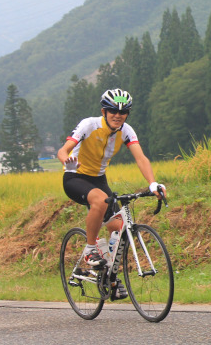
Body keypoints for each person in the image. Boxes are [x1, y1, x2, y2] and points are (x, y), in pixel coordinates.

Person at [58, 88, 166, 299]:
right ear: (104, 111)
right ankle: (90, 250)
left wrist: (152, 183)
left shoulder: (126, 131)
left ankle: (111, 279)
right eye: (113, 111)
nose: (118, 115)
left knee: (119, 230)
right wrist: (66, 162)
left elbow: (140, 158)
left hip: (99, 179)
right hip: (75, 176)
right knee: (99, 201)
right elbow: (64, 150)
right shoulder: (89, 125)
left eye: (123, 112)